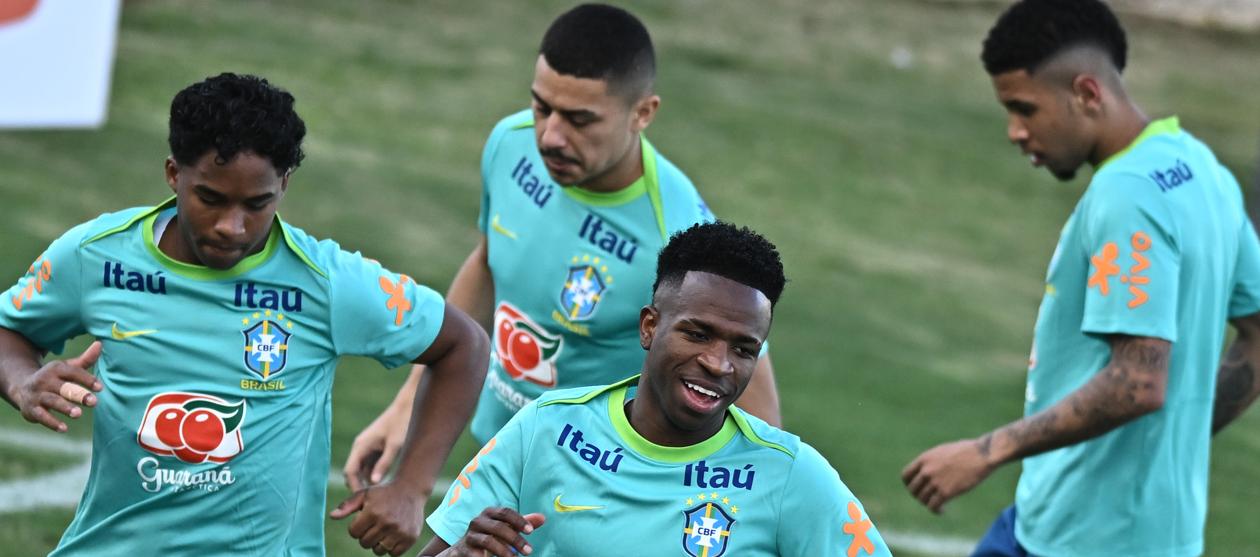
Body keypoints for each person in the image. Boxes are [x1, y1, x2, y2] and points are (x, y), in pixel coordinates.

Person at [0, 73, 489, 557]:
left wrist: (411, 487)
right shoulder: (97, 258)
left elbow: (463, 344)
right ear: (174, 173)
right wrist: (22, 381)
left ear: (285, 184)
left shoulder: (327, 282)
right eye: (210, 199)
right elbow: (9, 330)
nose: (232, 227)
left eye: (258, 204)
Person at [344, 3, 781, 490]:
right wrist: (407, 407)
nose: (550, 136)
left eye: (580, 120)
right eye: (542, 108)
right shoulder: (509, 145)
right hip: (499, 458)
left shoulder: (679, 235)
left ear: (643, 113)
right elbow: (490, 263)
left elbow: (752, 401)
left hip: (603, 492)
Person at [900, 1, 1260, 555]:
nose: (1016, 132)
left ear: (1087, 94)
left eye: (1025, 109)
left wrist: (985, 451)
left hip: (1086, 541)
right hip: (1099, 523)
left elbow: (1138, 381)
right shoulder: (1200, 168)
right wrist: (1180, 440)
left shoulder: (1128, 195)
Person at [418, 222, 892, 557]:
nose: (718, 364)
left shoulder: (789, 476)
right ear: (650, 326)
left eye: (744, 348)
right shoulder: (548, 428)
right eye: (698, 334)